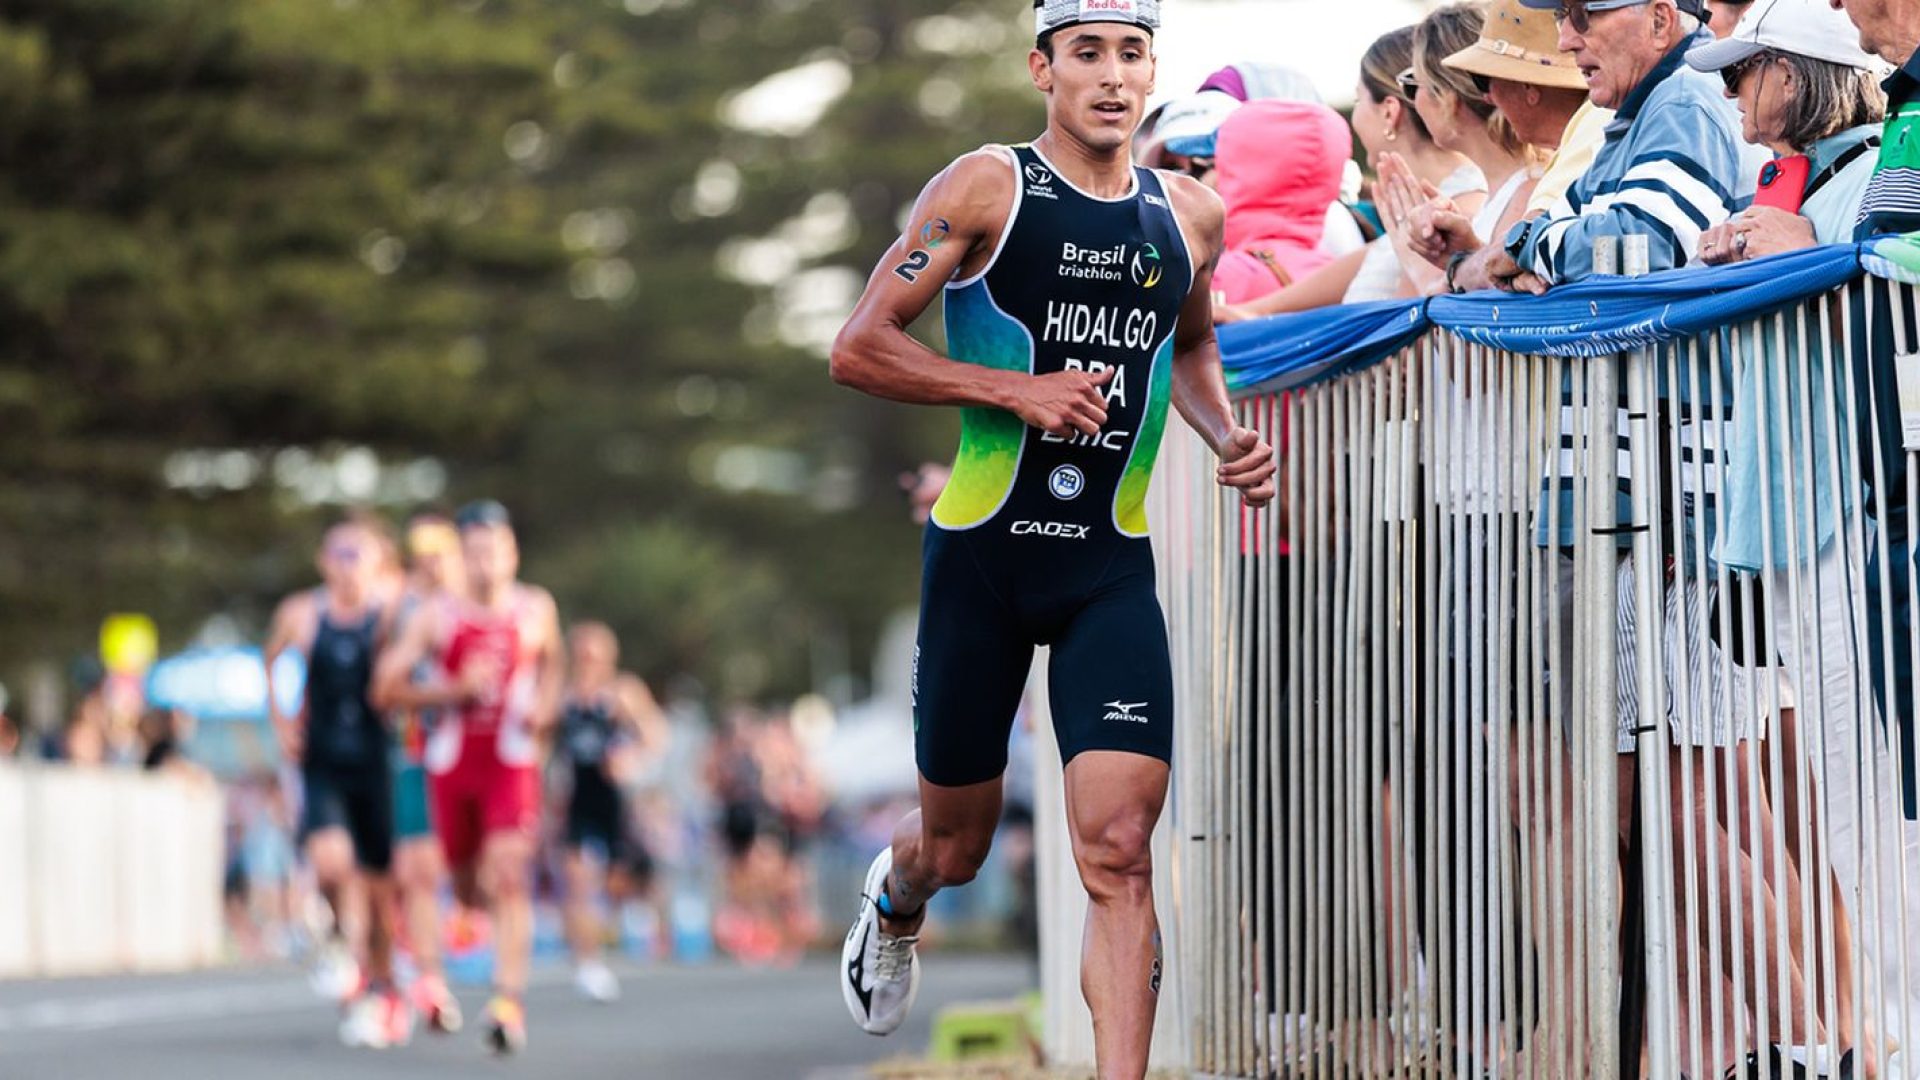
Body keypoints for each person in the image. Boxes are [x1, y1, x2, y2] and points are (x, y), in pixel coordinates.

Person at [826, 1, 1276, 1073]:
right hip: (983, 558)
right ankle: (895, 905)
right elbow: (859, 347)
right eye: (1088, 55)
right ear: (1044, 68)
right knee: (958, 847)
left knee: (1120, 851)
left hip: (1105, 571)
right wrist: (1011, 388)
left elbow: (1193, 342)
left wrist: (1223, 437)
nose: (1113, 78)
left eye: (1132, 55)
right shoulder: (985, 187)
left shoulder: (1190, 214)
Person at [372, 499, 563, 1056]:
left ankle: (508, 1002)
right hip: (452, 765)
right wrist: (451, 691)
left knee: (508, 872)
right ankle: (437, 969)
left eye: (495, 551)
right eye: (475, 552)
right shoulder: (437, 614)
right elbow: (385, 686)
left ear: (513, 554)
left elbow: (554, 664)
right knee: (457, 880)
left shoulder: (536, 607)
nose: (486, 563)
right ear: (463, 556)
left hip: (510, 762)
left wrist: (543, 709)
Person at [1483, 0, 1760, 291]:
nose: (1564, 41)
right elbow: (1548, 230)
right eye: (1561, 16)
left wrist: (1528, 249)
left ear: (1659, 22)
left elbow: (1643, 245)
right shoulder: (1644, 112)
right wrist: (1528, 256)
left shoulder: (1683, 100)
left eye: (1581, 15)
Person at [1213, 26, 1486, 321]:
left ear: (1389, 113)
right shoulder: (1417, 212)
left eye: (1358, 101)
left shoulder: (1456, 214)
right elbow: (1354, 268)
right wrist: (1252, 311)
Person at [263, 518, 409, 1049]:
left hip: (377, 762)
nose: (348, 565)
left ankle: (383, 985)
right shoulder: (302, 613)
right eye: (339, 554)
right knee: (330, 861)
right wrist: (281, 721)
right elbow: (270, 658)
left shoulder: (392, 610)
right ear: (324, 560)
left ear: (378, 561)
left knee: (377, 892)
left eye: (358, 554)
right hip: (323, 759)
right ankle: (334, 944)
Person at [1401, 0, 1613, 293]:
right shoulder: (1580, 139)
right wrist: (1470, 255)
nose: (1486, 98)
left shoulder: (1593, 128)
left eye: (1483, 80)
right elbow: (1518, 257)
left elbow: (1522, 249)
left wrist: (1458, 269)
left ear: (1529, 87)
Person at [1376, 2, 1552, 289]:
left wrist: (1423, 269)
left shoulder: (1528, 194)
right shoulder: (1504, 193)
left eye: (1412, 85)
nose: (1414, 101)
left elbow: (1499, 308)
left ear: (1446, 96)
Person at [556, 620, 667, 1002]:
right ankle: (587, 962)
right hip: (578, 798)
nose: (588, 659)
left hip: (616, 801)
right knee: (578, 881)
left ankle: (630, 922)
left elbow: (655, 735)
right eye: (582, 652)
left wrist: (630, 759)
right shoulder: (563, 695)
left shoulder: (623, 692)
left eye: (595, 653)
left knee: (617, 883)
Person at [386, 512, 466, 1034]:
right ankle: (426, 977)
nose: (431, 565)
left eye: (440, 554)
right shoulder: (400, 608)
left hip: (473, 756)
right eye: (423, 555)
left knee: (466, 872)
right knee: (415, 870)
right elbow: (385, 679)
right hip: (416, 750)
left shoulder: (482, 606)